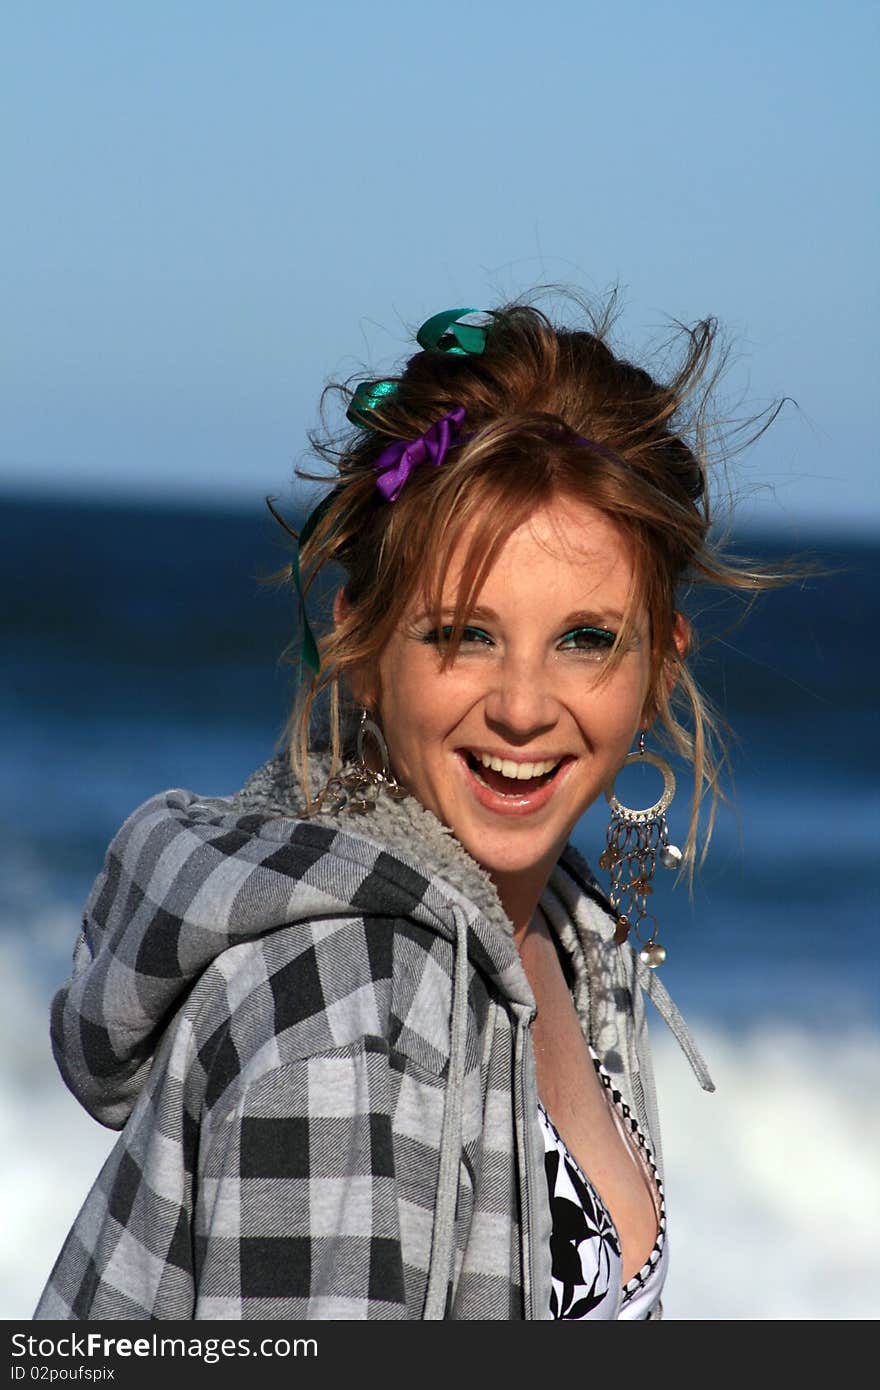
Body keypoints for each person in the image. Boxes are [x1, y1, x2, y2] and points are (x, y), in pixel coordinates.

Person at [35, 298, 771, 1321]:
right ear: (365, 648)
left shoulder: (561, 930)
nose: (521, 705)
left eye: (585, 638)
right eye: (464, 634)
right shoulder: (351, 1000)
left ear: (658, 666)